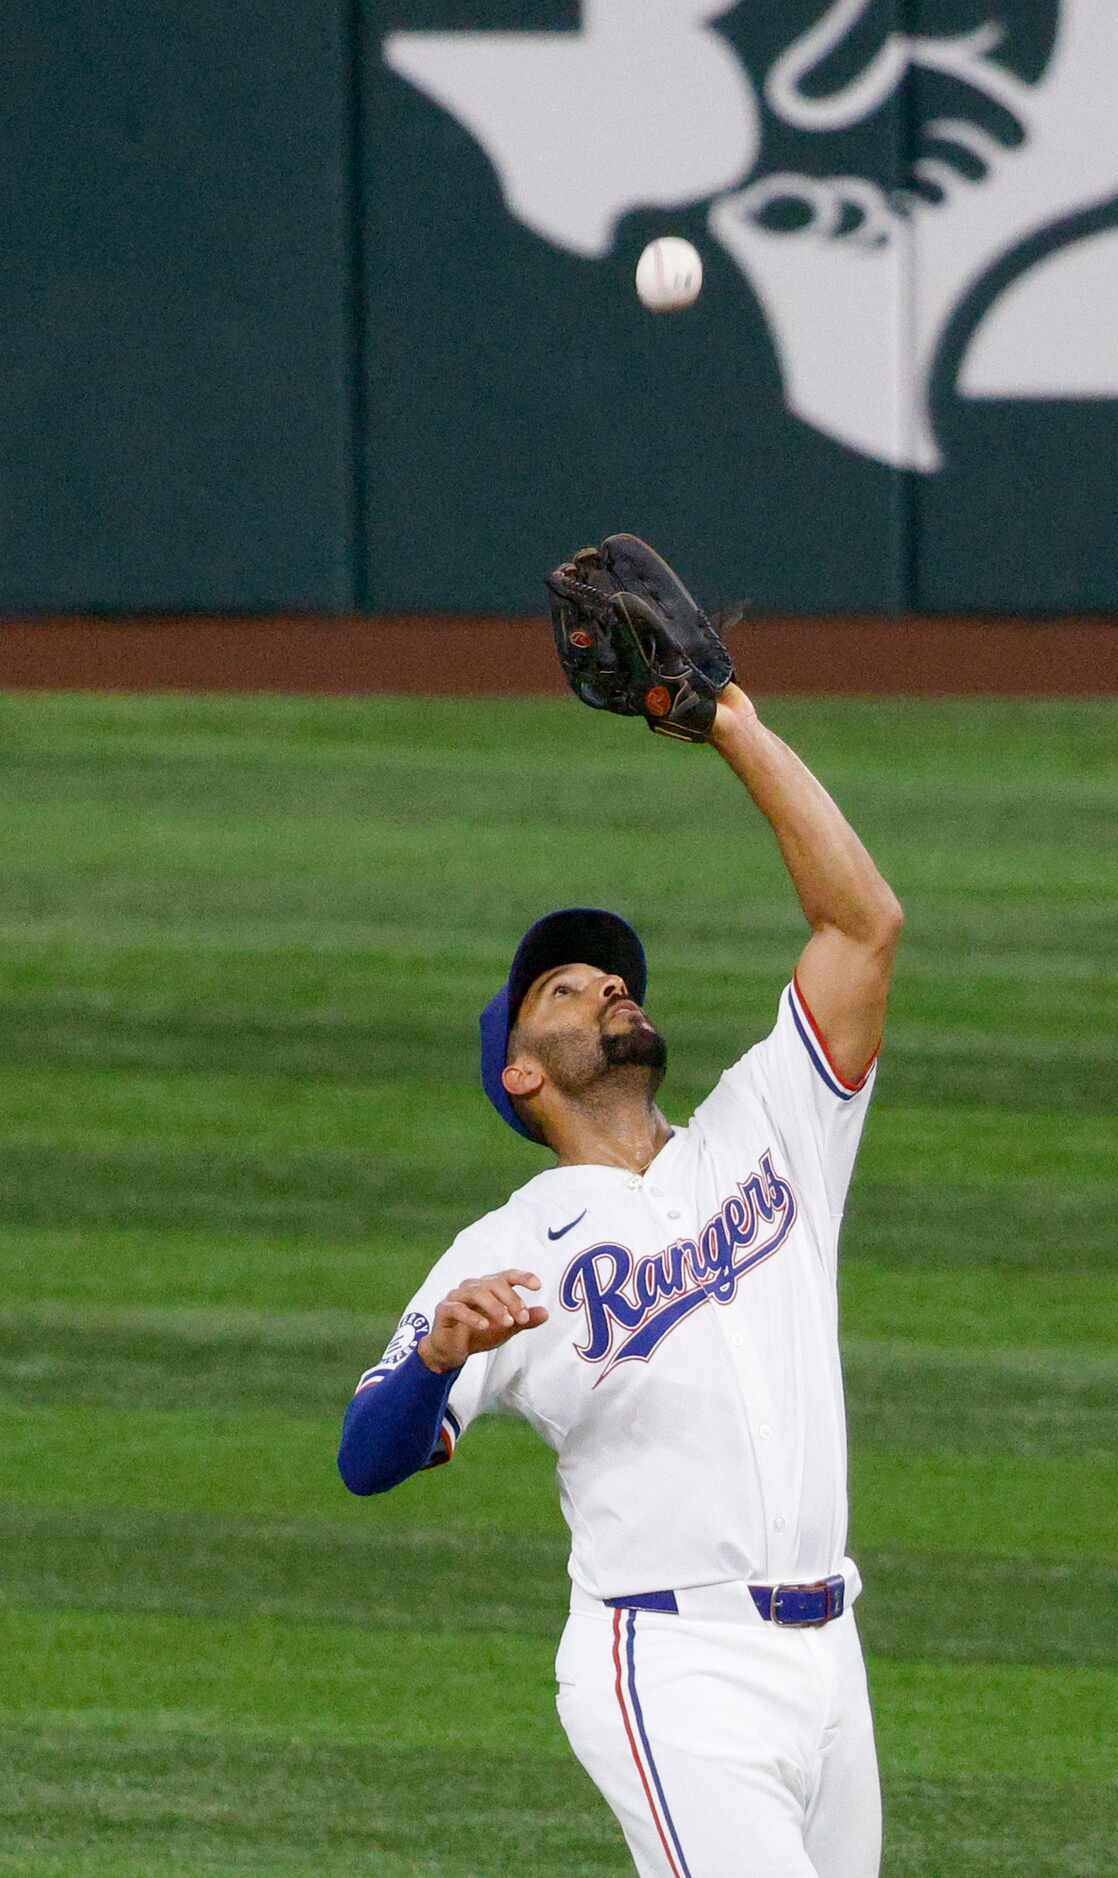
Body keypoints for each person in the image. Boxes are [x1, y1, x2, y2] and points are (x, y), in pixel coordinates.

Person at [338, 679, 902, 1878]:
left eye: (610, 976)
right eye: (565, 989)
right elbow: (365, 1457)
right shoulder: (508, 1245)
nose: (605, 985)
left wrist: (734, 731)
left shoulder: (770, 1125)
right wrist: (438, 1353)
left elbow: (861, 928)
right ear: (521, 1077)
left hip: (828, 1657)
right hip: (671, 1669)